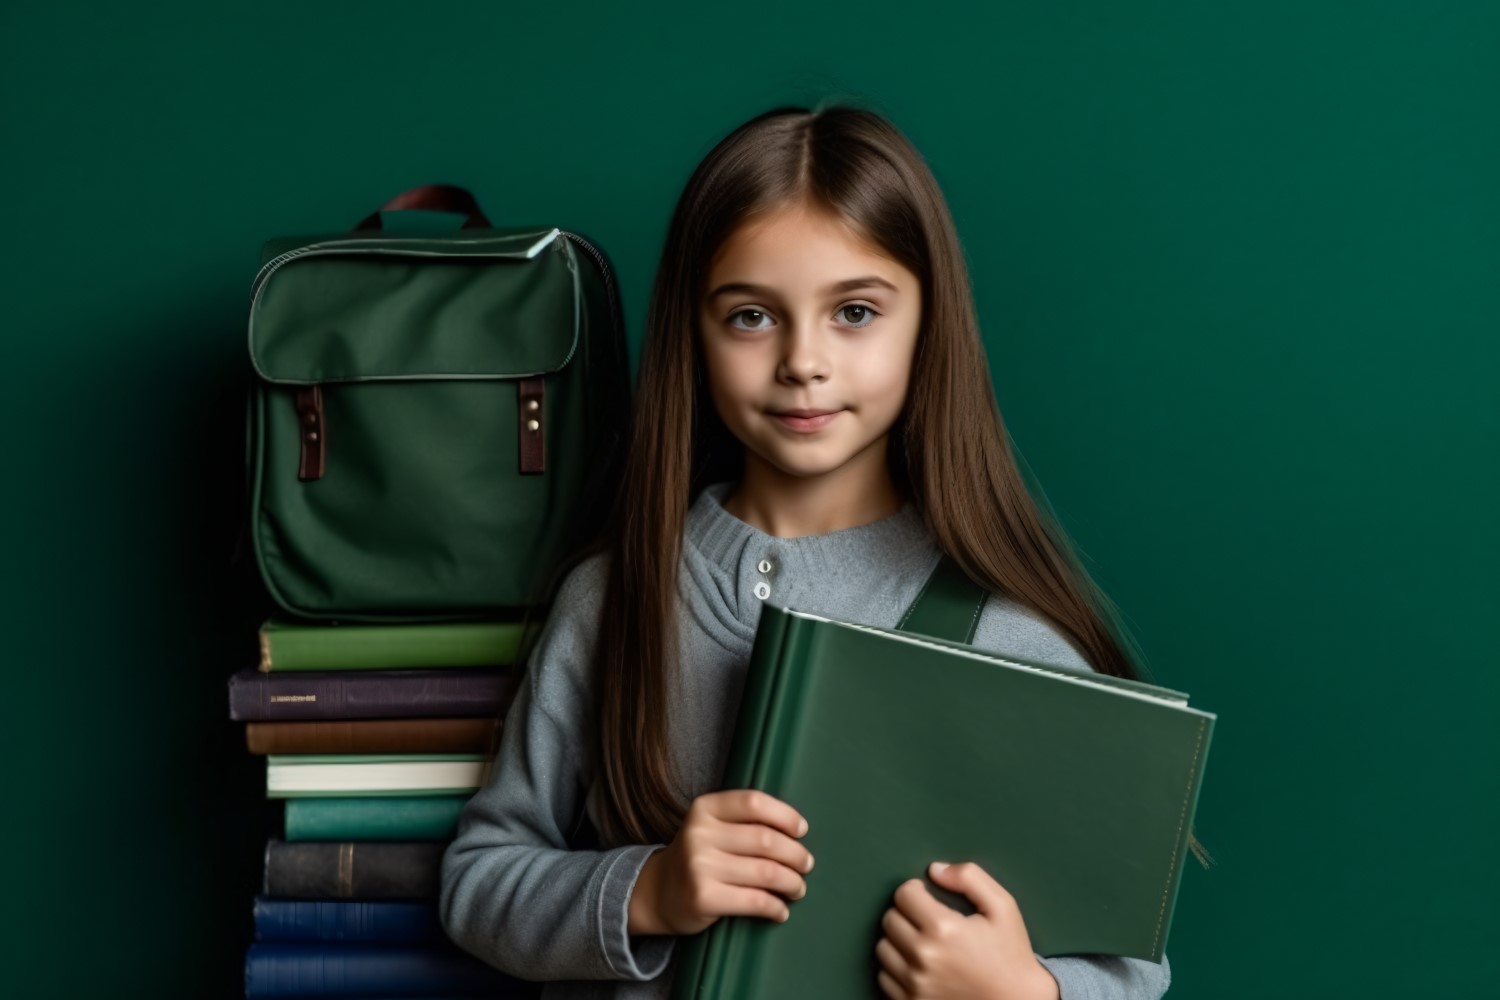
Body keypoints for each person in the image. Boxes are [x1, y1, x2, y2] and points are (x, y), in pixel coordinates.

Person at [441, 102, 1189, 1000]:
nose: (804, 360)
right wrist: (649, 889)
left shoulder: (1010, 640)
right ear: (695, 331)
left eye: (857, 312)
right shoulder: (613, 599)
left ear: (928, 324)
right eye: (752, 316)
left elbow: (1134, 972)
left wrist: (1023, 991)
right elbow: (478, 879)